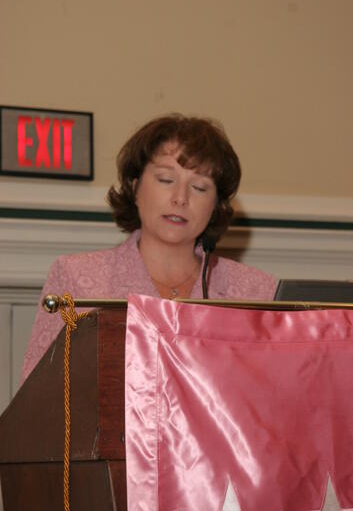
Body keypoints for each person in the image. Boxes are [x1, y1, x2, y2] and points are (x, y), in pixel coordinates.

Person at [21, 114, 277, 381]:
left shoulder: (255, 292)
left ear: (216, 206)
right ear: (135, 187)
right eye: (166, 180)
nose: (180, 198)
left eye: (200, 187)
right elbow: (38, 402)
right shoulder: (76, 280)